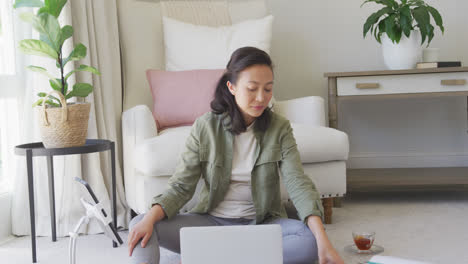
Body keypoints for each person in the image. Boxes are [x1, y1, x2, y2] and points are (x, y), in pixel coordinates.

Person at [128, 47, 344, 264]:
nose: (261, 98)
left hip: (262, 225)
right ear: (231, 87)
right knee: (142, 223)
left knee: (307, 239)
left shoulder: (280, 128)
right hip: (211, 224)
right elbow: (181, 186)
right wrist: (150, 218)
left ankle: (216, 258)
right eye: (252, 89)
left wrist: (323, 240)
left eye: (268, 89)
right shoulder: (205, 127)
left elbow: (298, 183)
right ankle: (242, 257)